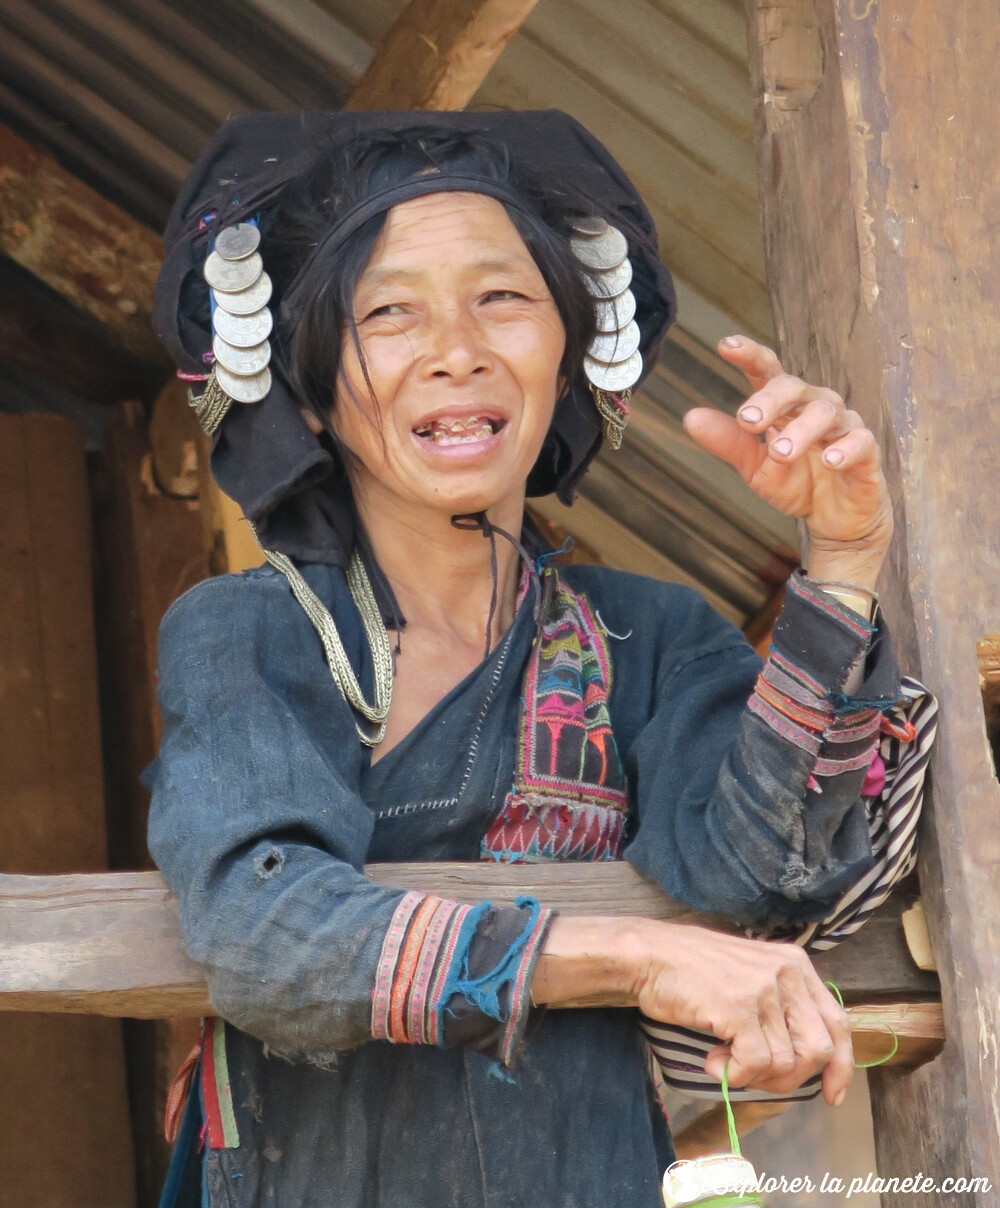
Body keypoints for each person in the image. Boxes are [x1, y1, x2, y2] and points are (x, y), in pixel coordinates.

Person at [148, 110, 910, 1208]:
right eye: (389, 311)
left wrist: (841, 555)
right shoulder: (250, 633)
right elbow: (263, 926)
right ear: (310, 392)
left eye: (502, 298)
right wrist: (634, 955)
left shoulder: (650, 636)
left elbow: (767, 871)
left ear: (568, 353)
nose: (457, 349)